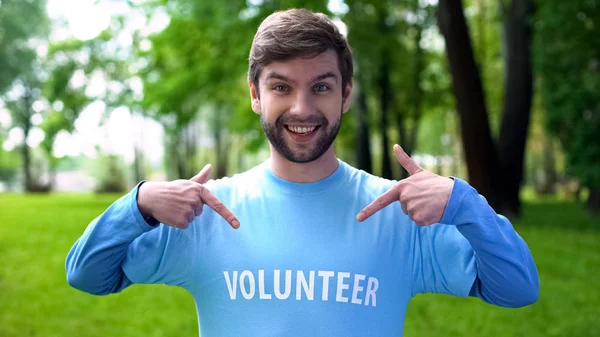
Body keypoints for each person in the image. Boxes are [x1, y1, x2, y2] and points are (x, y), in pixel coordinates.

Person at [66, 8, 539, 337]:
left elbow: (518, 289)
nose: (302, 107)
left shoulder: (396, 212)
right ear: (255, 94)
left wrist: (464, 203)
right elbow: (86, 274)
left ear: (346, 94)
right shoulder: (207, 211)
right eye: (281, 86)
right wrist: (139, 204)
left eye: (321, 86)